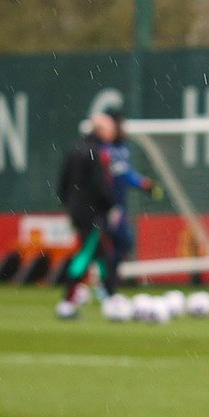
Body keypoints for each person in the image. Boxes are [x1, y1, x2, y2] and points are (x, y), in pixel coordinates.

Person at [54, 110, 122, 317]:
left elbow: (63, 184)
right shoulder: (96, 151)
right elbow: (100, 185)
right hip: (91, 213)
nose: (114, 132)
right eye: (111, 128)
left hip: (79, 210)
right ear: (101, 130)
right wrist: (110, 207)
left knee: (101, 254)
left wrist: (71, 205)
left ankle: (109, 298)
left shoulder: (76, 148)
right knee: (87, 255)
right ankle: (67, 303)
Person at [101, 107, 159, 287]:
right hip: (104, 206)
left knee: (122, 243)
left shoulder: (122, 148)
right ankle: (105, 284)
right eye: (120, 124)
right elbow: (121, 174)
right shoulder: (102, 149)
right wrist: (142, 183)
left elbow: (126, 173)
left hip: (118, 207)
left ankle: (107, 283)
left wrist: (144, 184)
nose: (123, 128)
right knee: (113, 244)